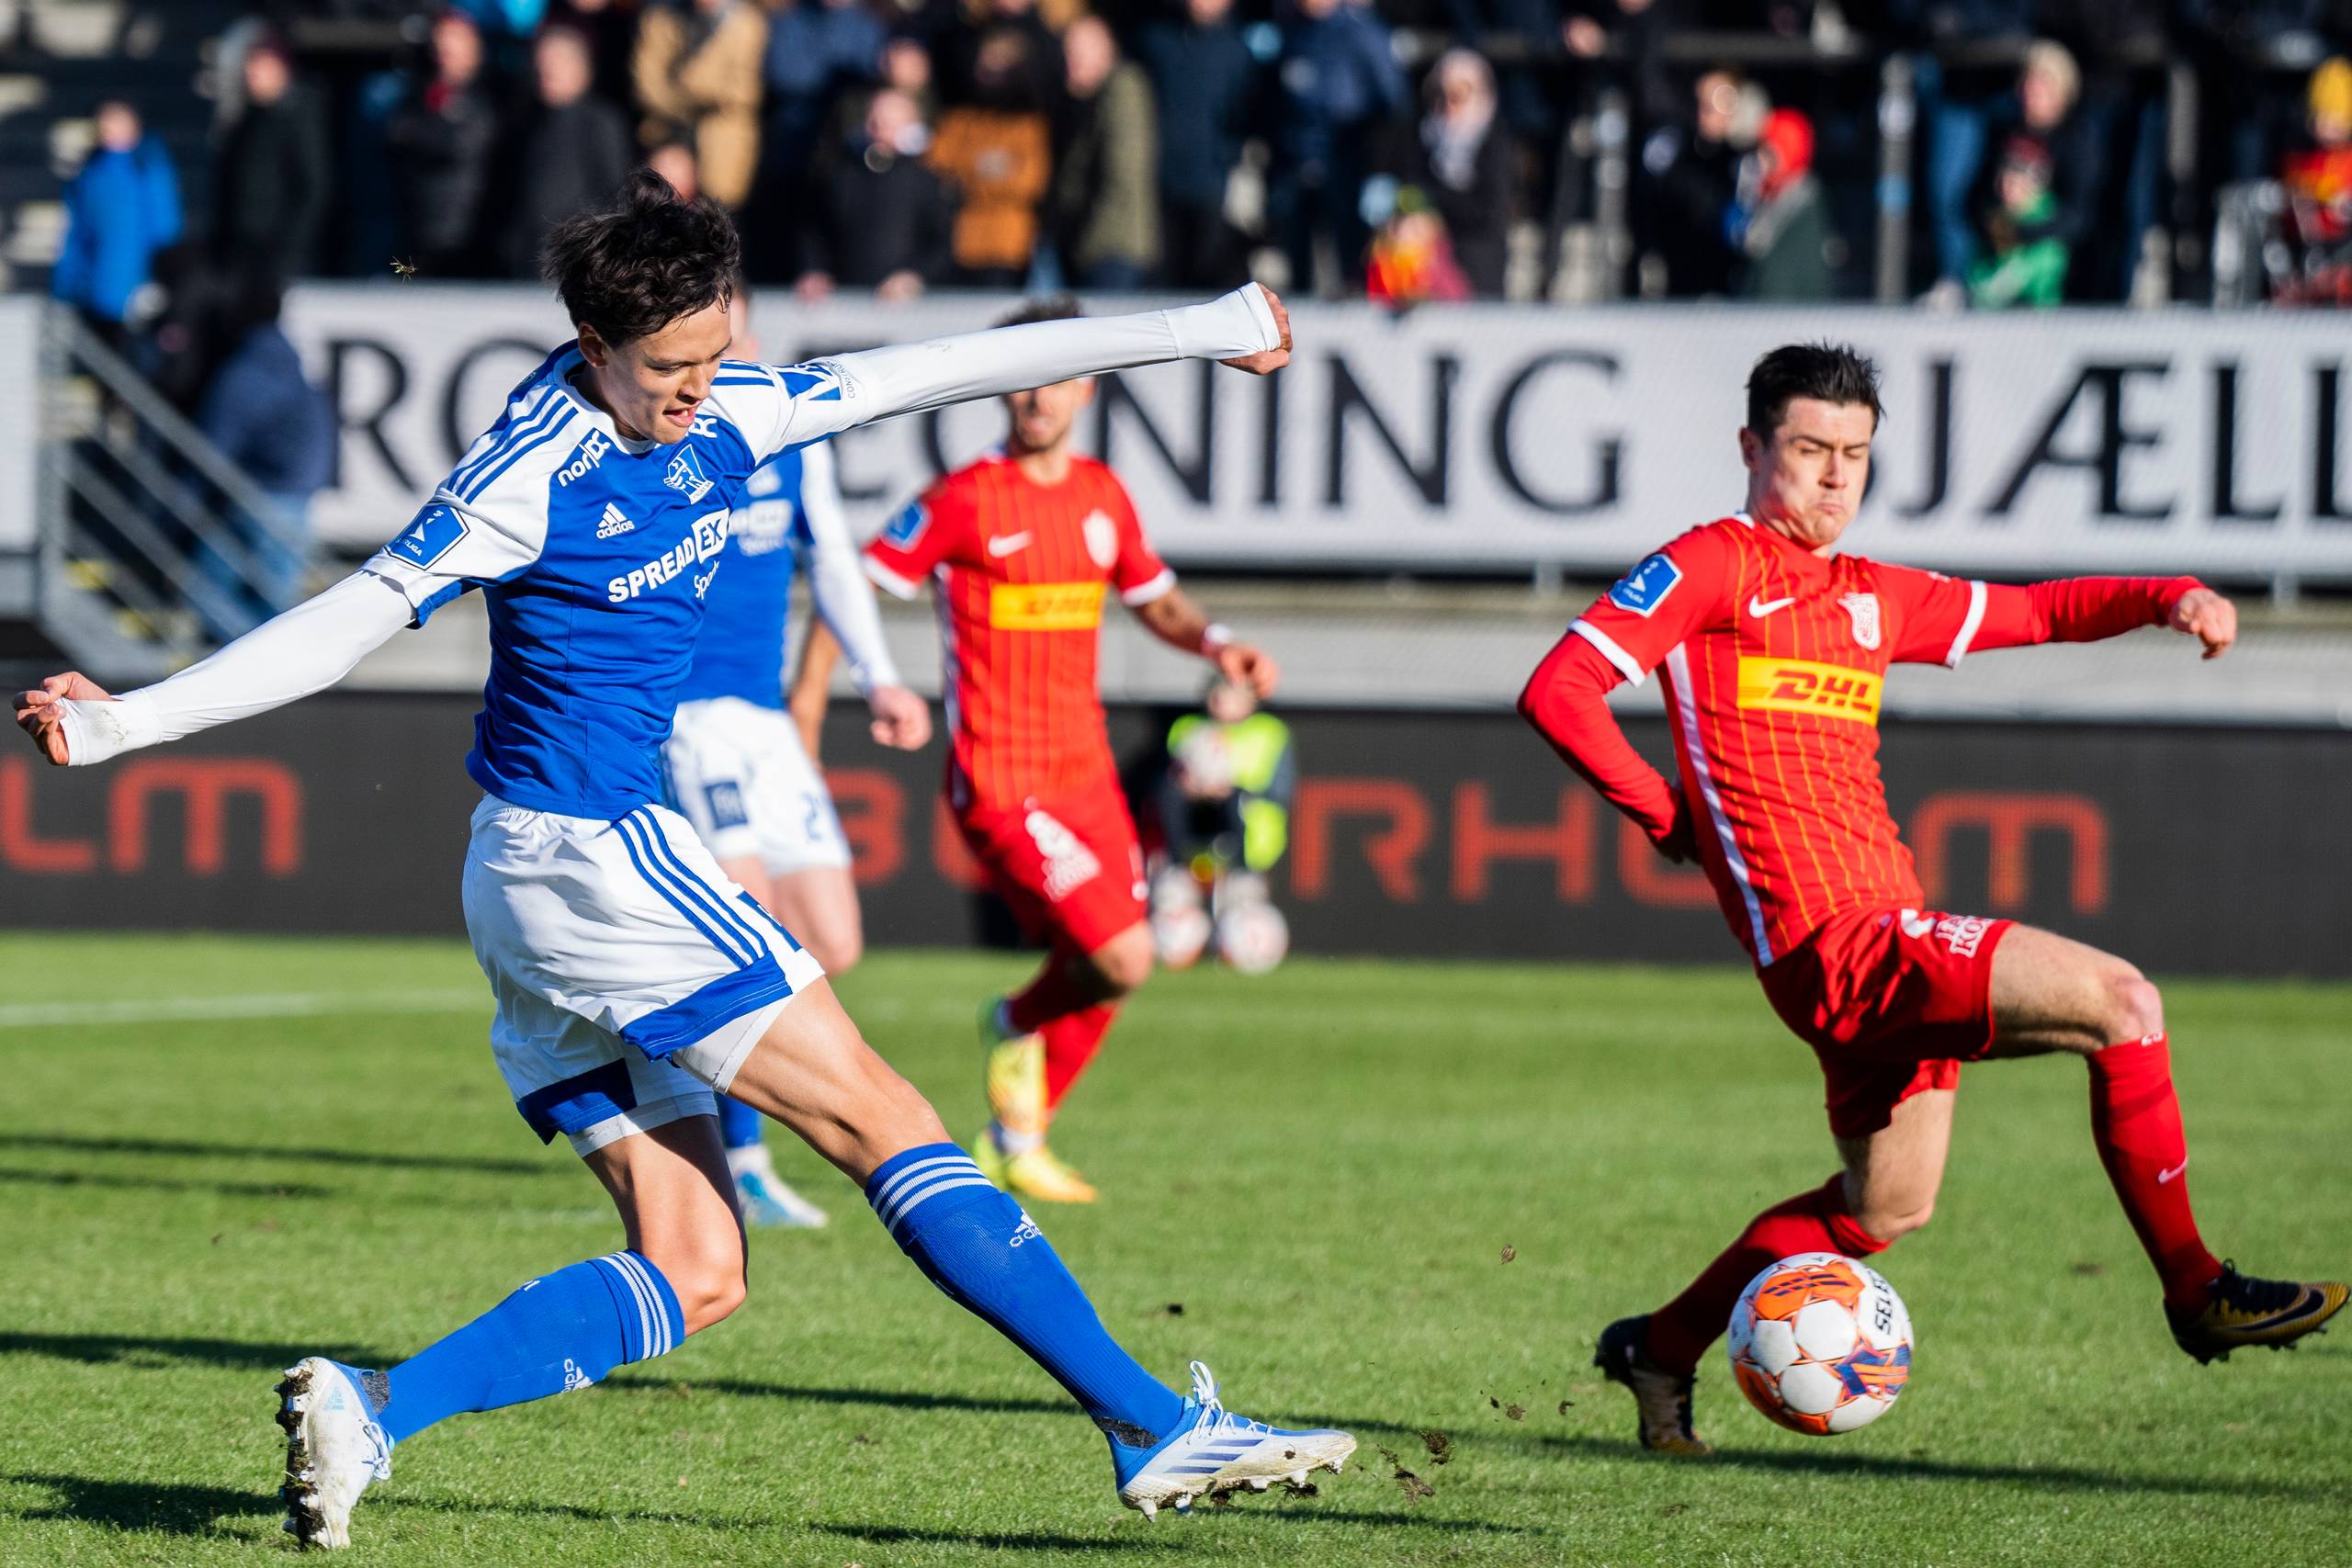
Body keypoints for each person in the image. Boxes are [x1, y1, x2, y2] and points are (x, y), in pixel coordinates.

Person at [12, 173, 1351, 1547]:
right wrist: (129, 719)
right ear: (593, 346)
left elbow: (954, 365)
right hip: (592, 856)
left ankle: (371, 1406)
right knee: (886, 1118)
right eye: (670, 370)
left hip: (534, 882)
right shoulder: (526, 471)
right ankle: (1151, 1422)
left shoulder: (741, 402)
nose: (703, 391)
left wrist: (1203, 325)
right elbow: (346, 621)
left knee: (701, 1266)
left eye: (718, 354)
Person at [1516, 343, 2346, 1457]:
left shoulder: (1871, 597)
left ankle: (1659, 1349)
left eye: (1853, 455)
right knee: (2123, 1002)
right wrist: (1669, 817)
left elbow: (2041, 612)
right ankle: (2196, 1290)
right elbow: (1558, 690)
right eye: (1808, 450)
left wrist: (2166, 594)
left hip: (1876, 944)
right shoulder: (1712, 563)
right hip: (1839, 944)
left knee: (1881, 1212)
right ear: (1752, 448)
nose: (1833, 478)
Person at [862, 296, 1281, 1206]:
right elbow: (859, 583)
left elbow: (1155, 599)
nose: (1035, 398)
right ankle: (1011, 1025)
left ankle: (1018, 1135)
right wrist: (857, 683)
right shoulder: (964, 499)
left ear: (1086, 386)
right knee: (1122, 954)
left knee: (1116, 963)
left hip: (1083, 772)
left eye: (1053, 376)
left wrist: (1218, 643)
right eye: (1018, 379)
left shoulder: (1101, 497)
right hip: (1002, 778)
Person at [662, 284, 930, 1228]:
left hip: (766, 722)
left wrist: (882, 678)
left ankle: (680, 1053)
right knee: (755, 932)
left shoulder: (786, 433)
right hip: (688, 718)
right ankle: (744, 1158)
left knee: (834, 939)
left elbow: (838, 563)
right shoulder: (668, 436)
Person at [193, 269, 336, 637]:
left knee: (207, 589)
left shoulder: (245, 372)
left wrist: (182, 502)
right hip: (294, 491)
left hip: (264, 493)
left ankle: (239, 670)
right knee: (271, 600)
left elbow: (212, 450)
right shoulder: (287, 361)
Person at [496, 23, 636, 279]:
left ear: (582, 69)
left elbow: (615, 193)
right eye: (541, 61)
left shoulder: (601, 121)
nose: (546, 69)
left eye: (557, 61)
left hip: (574, 262)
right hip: (524, 260)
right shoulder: (526, 122)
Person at [1137, 0, 1258, 289]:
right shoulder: (1156, 40)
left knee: (1206, 276)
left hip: (1211, 186)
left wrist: (1226, 159)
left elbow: (1245, 114)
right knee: (1162, 280)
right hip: (1158, 184)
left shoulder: (1237, 49)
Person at [796, 86, 957, 302]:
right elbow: (815, 232)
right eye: (874, 121)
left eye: (889, 124)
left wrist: (913, 277)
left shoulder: (927, 181)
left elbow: (941, 245)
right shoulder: (839, 175)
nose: (879, 130)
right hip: (843, 301)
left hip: (909, 306)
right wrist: (814, 271)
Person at [50, 98, 180, 353]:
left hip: (137, 289)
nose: (110, 129)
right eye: (105, 122)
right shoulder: (89, 174)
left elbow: (165, 228)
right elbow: (77, 234)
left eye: (118, 122)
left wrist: (159, 279)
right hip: (97, 289)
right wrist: (66, 285)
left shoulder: (148, 169)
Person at [385, 9, 502, 276]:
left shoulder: (492, 100)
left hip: (470, 237)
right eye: (441, 47)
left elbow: (461, 146)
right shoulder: (414, 97)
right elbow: (396, 137)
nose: (445, 56)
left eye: (455, 47)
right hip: (414, 233)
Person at [1051, 16, 1159, 291]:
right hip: (1094, 242)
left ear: (1105, 51)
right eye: (1066, 55)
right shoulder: (1087, 100)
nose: (1069, 65)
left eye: (1077, 55)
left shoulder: (1123, 91)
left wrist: (1086, 245)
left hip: (1111, 246)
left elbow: (1122, 174)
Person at [210, 33, 329, 282]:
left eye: (260, 66)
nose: (251, 73)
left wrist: (289, 244)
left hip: (277, 252)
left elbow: (312, 185)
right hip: (240, 248)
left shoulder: (299, 117)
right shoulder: (245, 121)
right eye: (250, 65)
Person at [632, 0, 766, 208]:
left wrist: (683, 87)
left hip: (721, 142)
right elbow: (647, 87)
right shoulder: (661, 17)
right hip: (667, 134)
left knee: (719, 217)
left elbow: (744, 92)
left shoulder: (747, 23)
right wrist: (702, 96)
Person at [1402, 48, 1513, 298]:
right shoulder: (1423, 139)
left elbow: (1490, 208)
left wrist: (1433, 201)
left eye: (1458, 94)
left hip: (1476, 268)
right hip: (1429, 269)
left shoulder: (1494, 143)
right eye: (1439, 94)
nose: (1447, 104)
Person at [1965, 133, 2068, 308]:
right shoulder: (1997, 217)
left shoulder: (2048, 220)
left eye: (2017, 181)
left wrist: (2007, 281)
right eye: (2004, 179)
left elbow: (2046, 268)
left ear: (2035, 184)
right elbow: (1978, 269)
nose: (2007, 188)